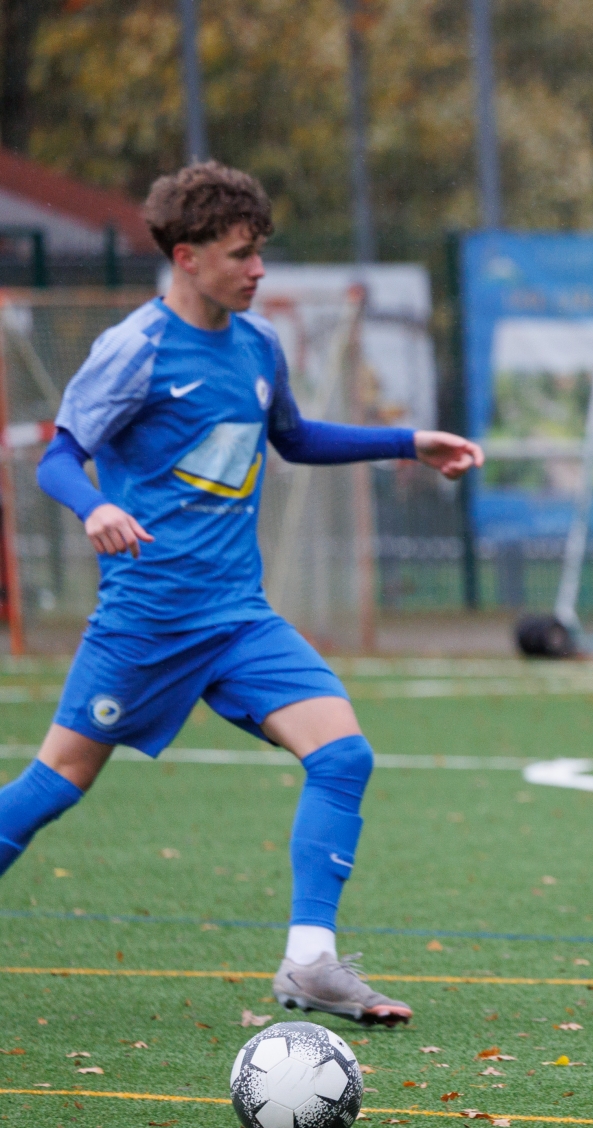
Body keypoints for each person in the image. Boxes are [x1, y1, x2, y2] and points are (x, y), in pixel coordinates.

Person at [0, 162, 484, 1024]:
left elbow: (293, 437)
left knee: (343, 755)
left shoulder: (257, 345)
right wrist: (95, 505)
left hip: (238, 618)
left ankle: (311, 962)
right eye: (239, 254)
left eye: (261, 251)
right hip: (148, 620)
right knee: (57, 782)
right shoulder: (136, 349)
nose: (258, 269)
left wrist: (408, 441)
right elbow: (59, 457)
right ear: (186, 257)